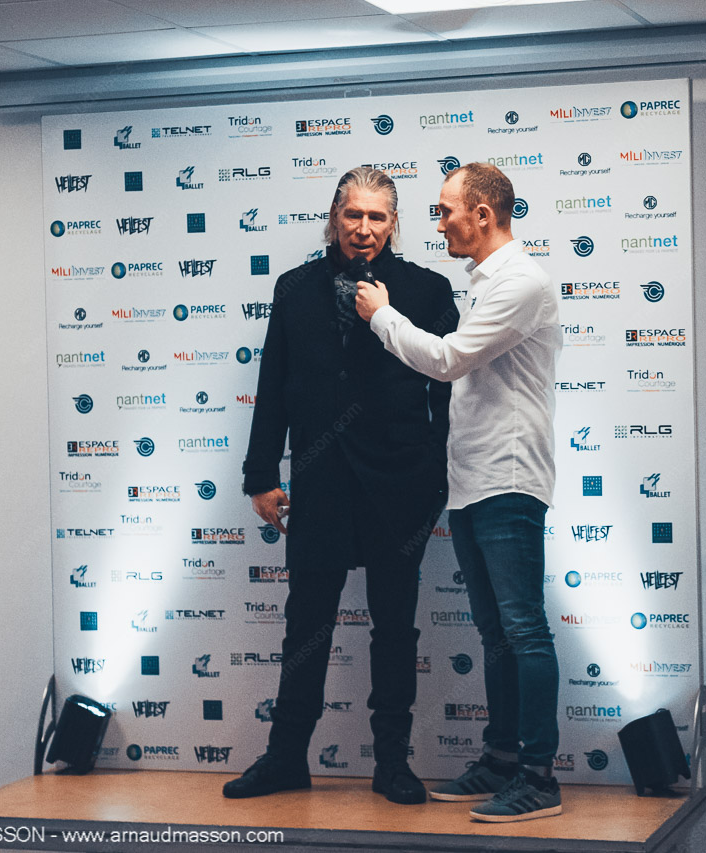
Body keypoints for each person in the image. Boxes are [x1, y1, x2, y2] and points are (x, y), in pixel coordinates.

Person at [223, 166, 459, 806]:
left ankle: (393, 764)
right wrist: (260, 475)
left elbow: (452, 391)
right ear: (335, 217)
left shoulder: (428, 288)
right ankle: (285, 759)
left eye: (377, 217)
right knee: (306, 626)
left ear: (394, 223)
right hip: (320, 479)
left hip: (399, 485)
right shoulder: (294, 288)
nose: (363, 228)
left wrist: (437, 475)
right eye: (353, 214)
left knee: (395, 628)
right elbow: (274, 382)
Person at [355, 162, 562, 822]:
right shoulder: (488, 281)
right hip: (474, 481)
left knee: (523, 630)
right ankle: (501, 758)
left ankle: (538, 776)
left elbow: (447, 362)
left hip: (508, 478)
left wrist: (382, 315)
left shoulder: (522, 282)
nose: (439, 222)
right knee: (497, 632)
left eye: (446, 210)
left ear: (483, 214)